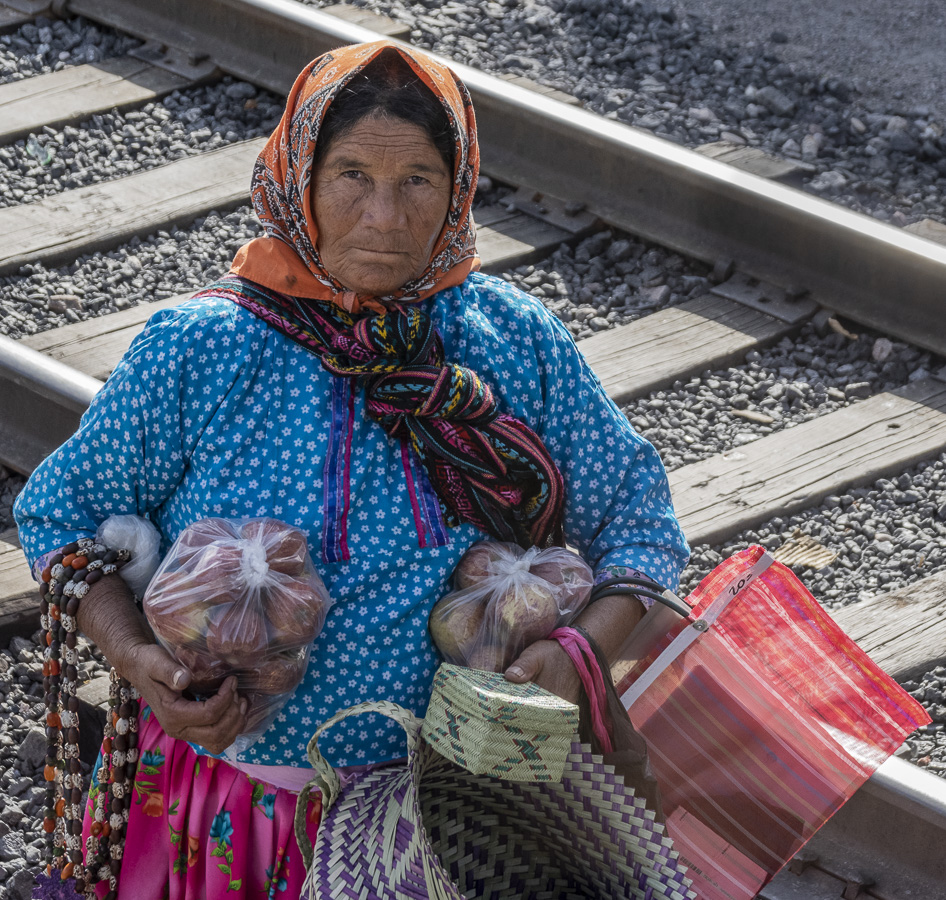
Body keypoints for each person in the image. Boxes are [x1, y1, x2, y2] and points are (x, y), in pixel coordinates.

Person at [15, 40, 688, 899]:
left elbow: (639, 522)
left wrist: (577, 651)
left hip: (451, 828)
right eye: (351, 176)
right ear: (300, 179)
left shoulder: (512, 342)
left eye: (416, 180)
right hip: (240, 810)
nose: (384, 216)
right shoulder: (208, 348)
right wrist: (141, 658)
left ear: (458, 189)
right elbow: (63, 516)